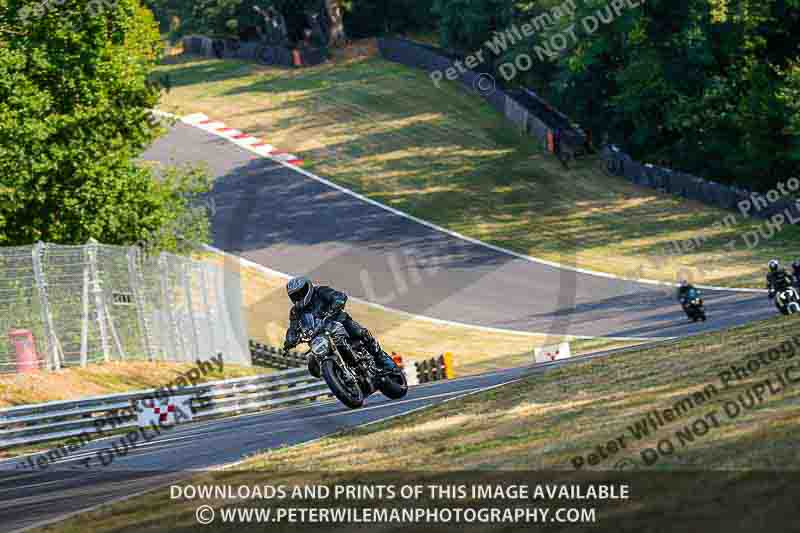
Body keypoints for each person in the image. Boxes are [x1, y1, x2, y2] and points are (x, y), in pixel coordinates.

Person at [282, 277, 395, 376]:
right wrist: (290, 341)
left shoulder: (320, 291)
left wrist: (336, 304)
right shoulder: (295, 312)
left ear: (308, 288)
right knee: (314, 359)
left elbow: (338, 296)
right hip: (318, 336)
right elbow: (293, 328)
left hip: (339, 322)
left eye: (301, 293)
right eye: (295, 295)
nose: (299, 297)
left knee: (361, 333)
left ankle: (384, 362)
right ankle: (341, 376)